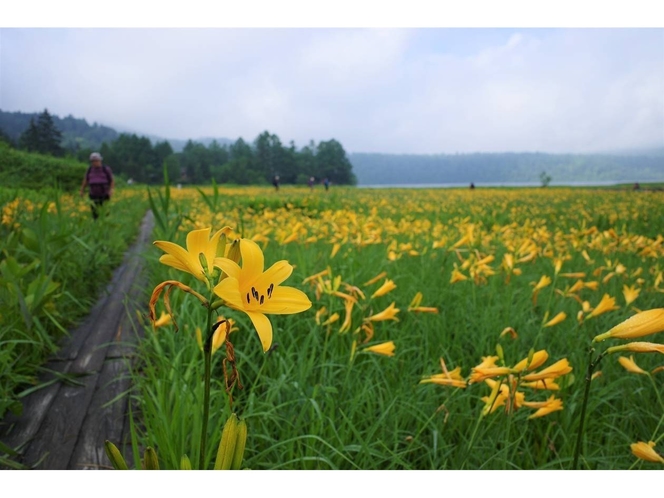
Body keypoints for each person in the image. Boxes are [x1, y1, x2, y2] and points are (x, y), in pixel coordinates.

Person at [80, 152, 114, 219]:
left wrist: (111, 190)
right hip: (93, 194)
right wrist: (82, 190)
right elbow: (86, 180)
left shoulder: (105, 169)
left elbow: (111, 180)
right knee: (94, 212)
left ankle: (105, 225)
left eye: (96, 161)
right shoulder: (90, 170)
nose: (95, 162)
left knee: (105, 211)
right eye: (93, 161)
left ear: (100, 160)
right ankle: (96, 225)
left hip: (104, 193)